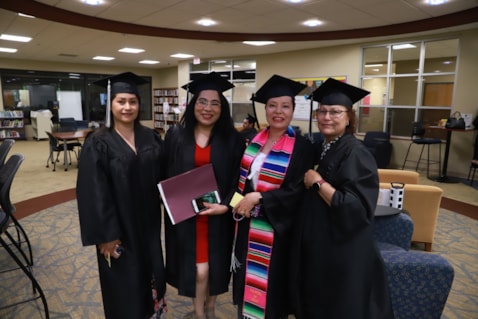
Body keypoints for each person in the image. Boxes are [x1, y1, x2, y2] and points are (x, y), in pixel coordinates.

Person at [290, 78, 395, 319]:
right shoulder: (326, 146)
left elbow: (356, 208)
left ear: (349, 117)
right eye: (323, 111)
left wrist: (318, 182)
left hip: (343, 249)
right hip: (324, 244)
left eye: (335, 112)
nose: (327, 117)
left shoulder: (356, 152)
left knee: (338, 307)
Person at [76, 72, 167, 318]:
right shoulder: (98, 142)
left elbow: (166, 176)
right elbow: (92, 192)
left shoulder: (152, 137)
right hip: (118, 226)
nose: (127, 107)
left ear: (139, 104)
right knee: (124, 282)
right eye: (121, 101)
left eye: (133, 101)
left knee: (152, 271)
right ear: (110, 104)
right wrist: (106, 236)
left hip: (148, 223)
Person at [163, 71, 245, 319]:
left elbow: (242, 185)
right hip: (188, 217)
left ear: (223, 108)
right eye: (202, 101)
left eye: (215, 103)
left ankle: (210, 308)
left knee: (215, 269)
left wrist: (228, 207)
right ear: (193, 104)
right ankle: (200, 313)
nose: (207, 108)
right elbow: (164, 174)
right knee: (199, 270)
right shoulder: (176, 136)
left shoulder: (233, 140)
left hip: (218, 217)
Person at [231, 74, 314, 319]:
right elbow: (239, 184)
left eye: (285, 106)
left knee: (271, 291)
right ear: (265, 108)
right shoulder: (249, 140)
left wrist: (261, 199)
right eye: (272, 105)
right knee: (247, 282)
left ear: (292, 109)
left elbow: (297, 191)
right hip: (247, 225)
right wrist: (239, 204)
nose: (278, 111)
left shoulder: (302, 147)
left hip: (278, 230)